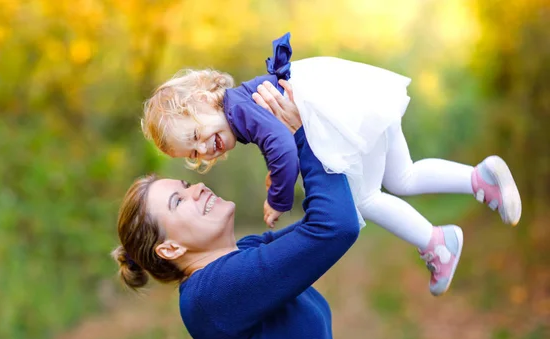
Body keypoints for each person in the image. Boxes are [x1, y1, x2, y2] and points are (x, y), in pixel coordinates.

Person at [140, 32, 522, 296]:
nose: (204, 149)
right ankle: (478, 179)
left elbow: (283, 148)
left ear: (206, 100)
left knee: (366, 198)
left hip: (339, 117)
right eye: (193, 154)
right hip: (354, 101)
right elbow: (279, 143)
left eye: (196, 136)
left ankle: (437, 243)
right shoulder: (242, 107)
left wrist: (279, 198)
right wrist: (277, 168)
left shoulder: (238, 110)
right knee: (403, 176)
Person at [113, 83, 359, 339]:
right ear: (170, 248)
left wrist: (284, 146)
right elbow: (334, 226)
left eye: (186, 184)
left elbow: (329, 216)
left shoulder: (244, 252)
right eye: (178, 201)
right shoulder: (212, 295)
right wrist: (302, 135)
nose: (197, 188)